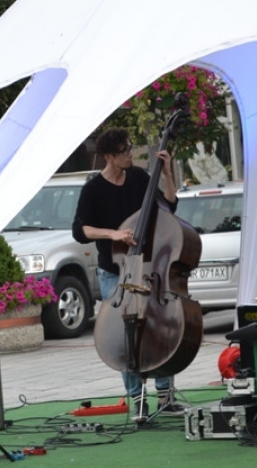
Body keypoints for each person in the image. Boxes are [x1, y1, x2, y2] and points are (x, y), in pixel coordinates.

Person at [72, 127, 180, 424]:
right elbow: (80, 230)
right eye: (125, 151)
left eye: (130, 148)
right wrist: (113, 233)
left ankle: (166, 396)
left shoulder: (139, 177)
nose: (131, 154)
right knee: (125, 335)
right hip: (115, 271)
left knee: (161, 325)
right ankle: (138, 402)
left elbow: (169, 205)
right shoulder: (93, 189)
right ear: (109, 156)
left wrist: (167, 173)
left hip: (149, 267)